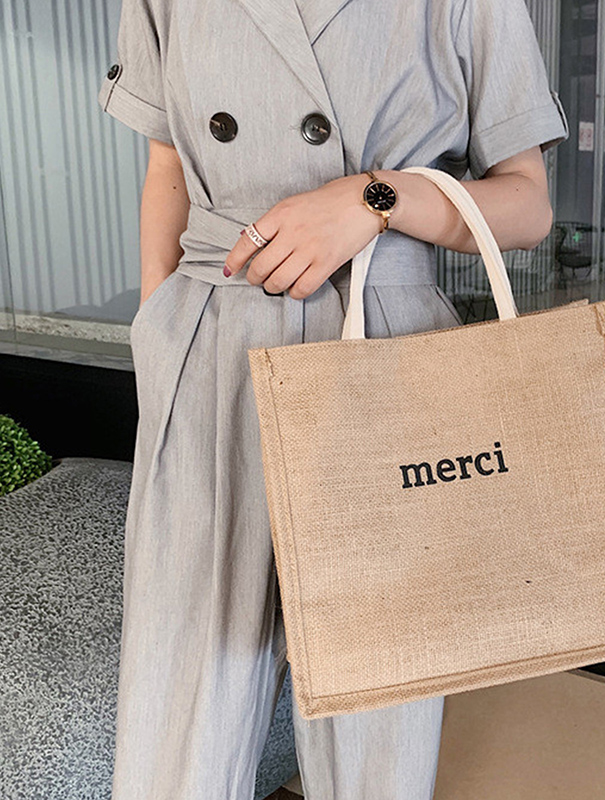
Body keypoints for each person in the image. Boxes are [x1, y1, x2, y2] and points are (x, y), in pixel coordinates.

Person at [97, 0, 568, 798]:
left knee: (374, 723)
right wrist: (158, 335)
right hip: (210, 345)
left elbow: (527, 206)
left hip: (383, 354)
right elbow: (167, 166)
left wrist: (372, 201)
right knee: (176, 708)